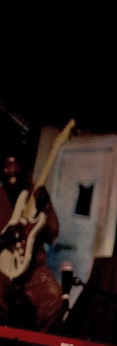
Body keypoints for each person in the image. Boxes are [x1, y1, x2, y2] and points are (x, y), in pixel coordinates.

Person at [0, 133, 64, 332]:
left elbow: (53, 233)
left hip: (33, 270)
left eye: (16, 164)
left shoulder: (35, 194)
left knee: (55, 299)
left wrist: (46, 205)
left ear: (25, 168)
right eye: (7, 165)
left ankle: (35, 344)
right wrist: (4, 239)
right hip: (1, 268)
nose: (12, 170)